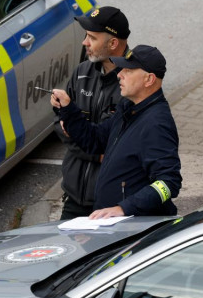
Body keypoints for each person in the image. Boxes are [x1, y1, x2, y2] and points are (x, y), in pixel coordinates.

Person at [51, 45, 181, 218]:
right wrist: (68, 108)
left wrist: (124, 208)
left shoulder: (156, 124)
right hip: (111, 223)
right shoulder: (128, 108)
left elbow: (168, 183)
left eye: (128, 70)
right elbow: (95, 140)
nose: (119, 74)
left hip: (132, 228)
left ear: (149, 79)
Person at [53, 6, 130, 219]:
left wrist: (76, 129)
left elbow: (118, 144)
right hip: (74, 196)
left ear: (113, 43)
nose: (84, 42)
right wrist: (97, 155)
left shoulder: (132, 82)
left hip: (112, 203)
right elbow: (59, 126)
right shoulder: (81, 73)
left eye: (92, 38)